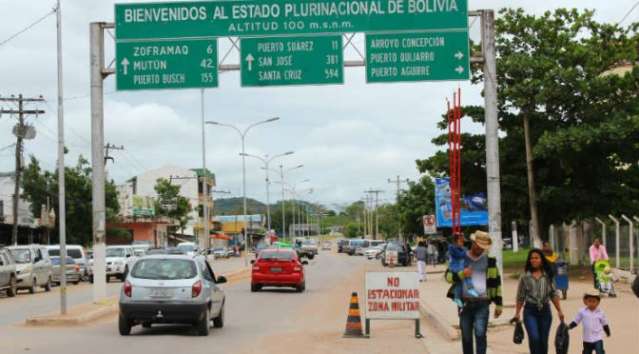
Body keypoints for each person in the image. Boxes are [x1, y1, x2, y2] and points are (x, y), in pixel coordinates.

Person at [445, 231, 503, 354]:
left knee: (480, 334)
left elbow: (496, 282)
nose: (481, 249)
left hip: (482, 304)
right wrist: (461, 274)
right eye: (479, 246)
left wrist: (499, 304)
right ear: (473, 243)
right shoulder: (460, 257)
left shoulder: (490, 261)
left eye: (484, 247)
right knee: (466, 337)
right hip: (464, 305)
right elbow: (448, 277)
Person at [513, 249, 565, 354]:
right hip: (530, 312)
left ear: (541, 260)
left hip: (545, 312)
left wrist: (559, 311)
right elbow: (520, 296)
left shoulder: (548, 275)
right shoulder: (525, 276)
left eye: (536, 258)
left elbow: (553, 294)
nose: (533, 260)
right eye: (531, 258)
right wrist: (517, 313)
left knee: (543, 341)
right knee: (534, 338)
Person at [447, 233, 479, 308]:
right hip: (456, 268)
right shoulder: (452, 247)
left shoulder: (463, 248)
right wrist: (467, 252)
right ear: (455, 241)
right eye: (461, 241)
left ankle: (459, 297)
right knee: (461, 281)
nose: (462, 243)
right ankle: (459, 296)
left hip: (462, 267)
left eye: (463, 242)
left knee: (461, 282)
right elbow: (460, 255)